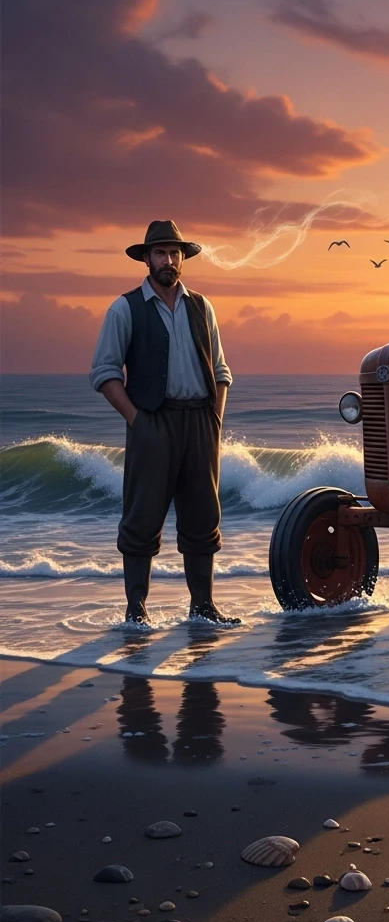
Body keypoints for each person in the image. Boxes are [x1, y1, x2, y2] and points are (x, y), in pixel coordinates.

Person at [89, 220, 240, 625]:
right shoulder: (125, 308)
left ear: (183, 259)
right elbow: (103, 372)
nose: (169, 260)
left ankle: (203, 608)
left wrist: (215, 419)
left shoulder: (201, 306)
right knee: (142, 516)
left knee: (203, 516)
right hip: (154, 421)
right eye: (160, 253)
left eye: (175, 253)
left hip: (200, 422)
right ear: (147, 259)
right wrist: (138, 421)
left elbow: (221, 370)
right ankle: (136, 610)